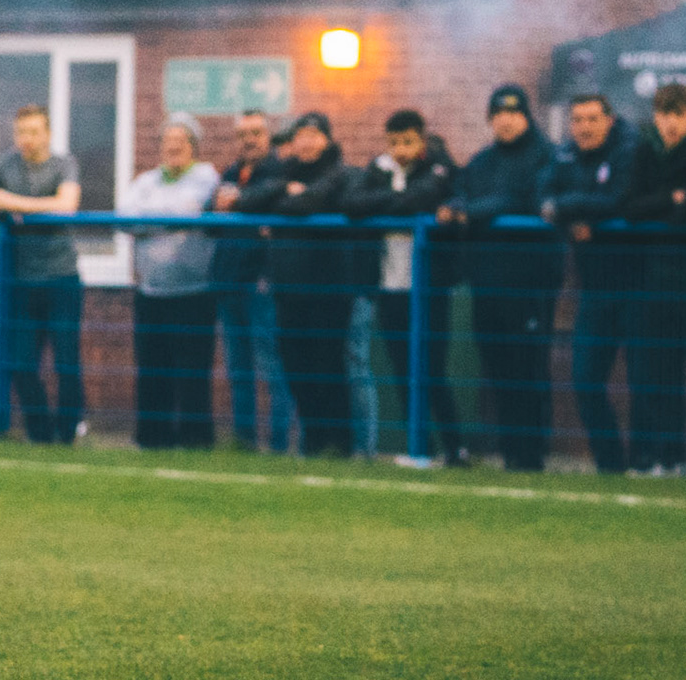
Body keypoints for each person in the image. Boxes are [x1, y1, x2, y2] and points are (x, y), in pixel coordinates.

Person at [440, 85, 563, 472]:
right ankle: (510, 451)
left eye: (513, 113)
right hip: (487, 281)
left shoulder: (546, 156)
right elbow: (461, 190)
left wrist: (471, 213)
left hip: (529, 282)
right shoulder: (483, 160)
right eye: (498, 114)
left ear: (526, 116)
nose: (505, 121)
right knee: (497, 367)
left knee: (528, 366)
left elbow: (520, 199)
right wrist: (457, 206)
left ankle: (532, 453)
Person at [236, 112, 360, 456]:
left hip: (329, 289)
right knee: (295, 366)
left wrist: (281, 203)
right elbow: (247, 200)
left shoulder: (342, 173)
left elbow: (309, 201)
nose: (306, 142)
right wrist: (283, 190)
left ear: (327, 140)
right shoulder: (284, 172)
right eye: (301, 135)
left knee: (328, 365)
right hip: (289, 290)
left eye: (313, 135)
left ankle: (340, 443)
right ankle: (314, 440)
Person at [343, 109, 463, 462]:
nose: (400, 150)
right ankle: (420, 448)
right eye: (394, 142)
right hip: (389, 285)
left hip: (429, 287)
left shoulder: (439, 166)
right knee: (401, 368)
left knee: (432, 369)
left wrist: (385, 205)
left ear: (421, 140)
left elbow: (420, 197)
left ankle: (456, 448)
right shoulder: (378, 168)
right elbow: (352, 204)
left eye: (408, 142)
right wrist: (394, 202)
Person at [621, 83, 686, 477]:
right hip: (658, 282)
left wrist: (662, 207)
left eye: (679, 114)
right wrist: (671, 198)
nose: (670, 123)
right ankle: (669, 456)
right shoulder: (645, 152)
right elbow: (628, 206)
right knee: (663, 373)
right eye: (664, 113)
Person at [0, 103, 84, 444]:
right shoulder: (6, 163)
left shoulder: (64, 164)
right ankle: (40, 433)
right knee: (21, 362)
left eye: (34, 132)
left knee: (66, 360)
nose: (27, 139)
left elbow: (66, 205)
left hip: (62, 277)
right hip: (21, 280)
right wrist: (11, 202)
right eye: (21, 132)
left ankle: (68, 432)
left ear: (47, 133)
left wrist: (9, 201)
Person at [538, 95, 636, 474]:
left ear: (609, 120)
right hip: (593, 287)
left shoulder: (628, 151)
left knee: (644, 381)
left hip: (637, 283)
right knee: (585, 379)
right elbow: (542, 196)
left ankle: (647, 460)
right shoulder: (564, 155)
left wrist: (571, 209)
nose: (584, 127)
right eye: (577, 119)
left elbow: (619, 199)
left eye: (593, 119)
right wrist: (571, 216)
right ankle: (610, 464)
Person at [119, 114, 221, 448]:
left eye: (181, 141)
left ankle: (195, 439)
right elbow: (124, 218)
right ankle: (153, 438)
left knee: (192, 371)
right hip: (151, 292)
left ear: (193, 146)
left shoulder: (206, 176)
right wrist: (169, 218)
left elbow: (188, 209)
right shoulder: (146, 180)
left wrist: (151, 218)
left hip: (194, 293)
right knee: (151, 368)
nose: (173, 147)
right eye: (168, 141)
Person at [208, 110, 296, 452]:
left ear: (268, 136)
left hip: (262, 283)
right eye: (243, 134)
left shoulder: (280, 171)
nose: (249, 140)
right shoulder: (231, 173)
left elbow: (271, 202)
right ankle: (244, 440)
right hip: (229, 281)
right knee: (238, 367)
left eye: (256, 132)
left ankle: (278, 443)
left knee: (272, 366)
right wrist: (220, 207)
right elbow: (210, 218)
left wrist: (238, 204)